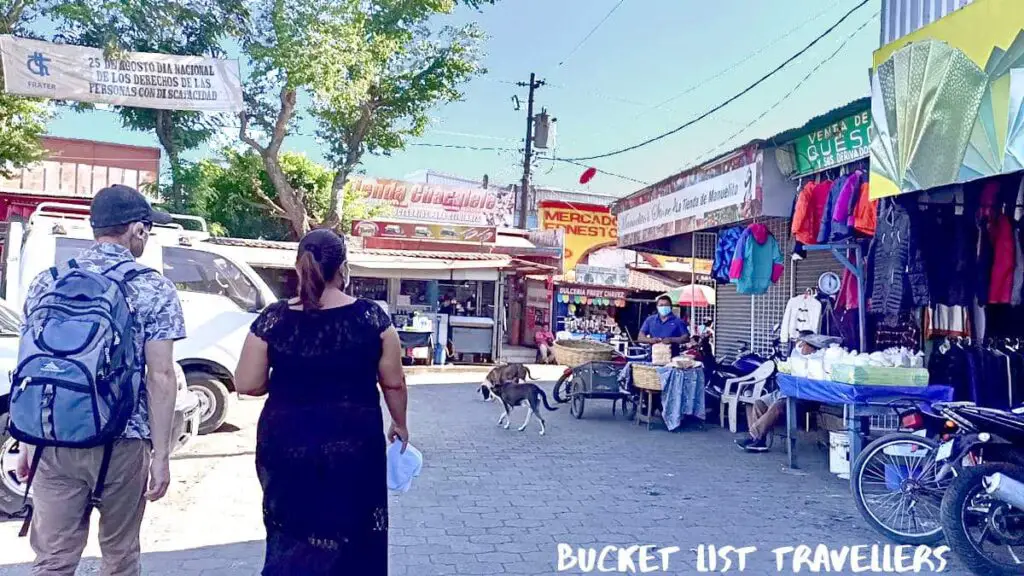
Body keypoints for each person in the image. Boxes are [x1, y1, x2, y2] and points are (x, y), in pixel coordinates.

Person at [15, 184, 186, 575]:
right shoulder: (153, 287)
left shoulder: (48, 280)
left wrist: (28, 439)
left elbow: (33, 362)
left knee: (54, 561)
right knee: (120, 556)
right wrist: (161, 456)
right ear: (137, 230)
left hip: (53, 437)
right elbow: (160, 377)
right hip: (123, 439)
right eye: (147, 229)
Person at [235, 229, 408, 575]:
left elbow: (246, 383)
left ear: (299, 267)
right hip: (355, 448)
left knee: (291, 535)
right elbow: (394, 382)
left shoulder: (273, 319)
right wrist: (400, 423)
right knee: (357, 535)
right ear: (343, 268)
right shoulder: (372, 319)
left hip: (286, 447)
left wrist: (283, 382)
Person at [735, 332, 833, 452]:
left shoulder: (818, 361)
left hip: (803, 397)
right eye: (799, 342)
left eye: (803, 343)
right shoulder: (797, 357)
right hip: (785, 392)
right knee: (759, 403)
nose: (800, 345)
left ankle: (753, 435)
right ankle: (760, 442)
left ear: (811, 347)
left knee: (777, 407)